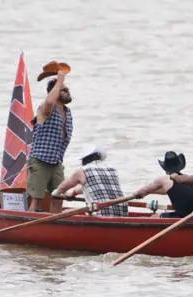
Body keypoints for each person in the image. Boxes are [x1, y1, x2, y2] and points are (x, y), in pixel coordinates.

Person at [26, 70, 74, 213]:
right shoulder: (46, 108)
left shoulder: (67, 111)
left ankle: (54, 228)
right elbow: (49, 101)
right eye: (64, 90)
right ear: (56, 91)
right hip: (40, 162)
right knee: (36, 201)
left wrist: (60, 84)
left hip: (56, 163)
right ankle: (31, 231)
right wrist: (59, 81)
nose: (68, 92)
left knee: (58, 198)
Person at [51, 145, 128, 217]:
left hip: (100, 212)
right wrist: (73, 193)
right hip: (123, 211)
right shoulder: (112, 169)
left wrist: (56, 193)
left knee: (66, 212)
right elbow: (95, 186)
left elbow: (63, 187)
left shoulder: (82, 170)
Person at [134, 151, 193, 218]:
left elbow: (142, 191)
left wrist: (137, 193)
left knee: (154, 216)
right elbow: (167, 191)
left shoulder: (164, 179)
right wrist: (149, 192)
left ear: (165, 168)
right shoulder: (187, 178)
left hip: (183, 217)